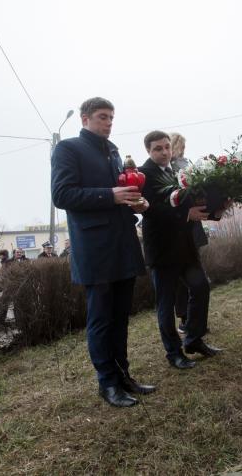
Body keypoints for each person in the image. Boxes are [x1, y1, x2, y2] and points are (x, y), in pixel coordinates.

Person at [51, 96, 154, 408]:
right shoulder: (68, 148)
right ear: (85, 119)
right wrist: (110, 195)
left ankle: (123, 376)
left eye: (111, 117)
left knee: (120, 317)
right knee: (101, 319)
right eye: (102, 116)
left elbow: (121, 196)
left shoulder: (114, 151)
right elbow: (62, 195)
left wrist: (137, 204)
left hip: (122, 243)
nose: (108, 122)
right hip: (95, 249)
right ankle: (107, 383)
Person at [141, 130, 223, 370]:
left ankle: (194, 340)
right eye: (158, 149)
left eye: (167, 147)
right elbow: (150, 210)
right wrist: (186, 213)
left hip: (185, 246)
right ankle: (174, 353)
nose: (164, 152)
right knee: (166, 305)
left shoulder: (177, 172)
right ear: (148, 150)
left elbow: (190, 203)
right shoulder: (144, 174)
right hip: (162, 250)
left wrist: (216, 209)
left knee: (201, 287)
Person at [169, 132, 209, 334]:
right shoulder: (169, 168)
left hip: (193, 227)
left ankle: (196, 318)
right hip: (178, 228)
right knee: (181, 280)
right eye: (181, 146)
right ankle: (185, 318)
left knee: (196, 275)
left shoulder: (188, 164)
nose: (184, 150)